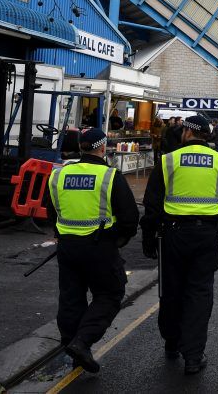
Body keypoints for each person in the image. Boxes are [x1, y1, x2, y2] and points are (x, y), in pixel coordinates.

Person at [140, 115, 218, 374]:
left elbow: (151, 205)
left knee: (171, 291)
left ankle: (172, 343)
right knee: (199, 294)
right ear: (206, 135)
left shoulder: (168, 160)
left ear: (186, 132)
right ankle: (194, 357)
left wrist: (148, 237)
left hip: (172, 235)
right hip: (207, 236)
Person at [46, 128, 139, 373]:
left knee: (70, 298)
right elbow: (130, 219)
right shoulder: (109, 176)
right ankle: (82, 342)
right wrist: (118, 240)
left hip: (67, 246)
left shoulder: (59, 175)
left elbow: (51, 211)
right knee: (109, 294)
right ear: (101, 147)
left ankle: (71, 346)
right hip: (100, 247)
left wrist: (59, 234)